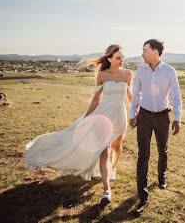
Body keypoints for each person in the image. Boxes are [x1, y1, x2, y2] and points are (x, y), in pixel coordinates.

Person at [24, 44, 133, 205]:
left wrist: (135, 112)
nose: (122, 60)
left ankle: (113, 168)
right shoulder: (102, 75)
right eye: (118, 57)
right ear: (109, 59)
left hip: (119, 115)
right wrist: (87, 117)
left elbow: (130, 95)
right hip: (103, 116)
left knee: (117, 146)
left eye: (123, 57)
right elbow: (97, 98)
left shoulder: (128, 74)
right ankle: (106, 191)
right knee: (104, 150)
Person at [129, 39, 182, 214]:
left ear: (155, 52)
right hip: (144, 117)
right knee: (143, 155)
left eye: (145, 50)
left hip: (162, 118)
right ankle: (143, 197)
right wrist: (132, 114)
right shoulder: (141, 69)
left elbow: (176, 97)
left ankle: (161, 176)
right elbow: (136, 93)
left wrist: (177, 118)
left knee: (163, 151)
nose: (142, 53)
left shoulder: (169, 71)